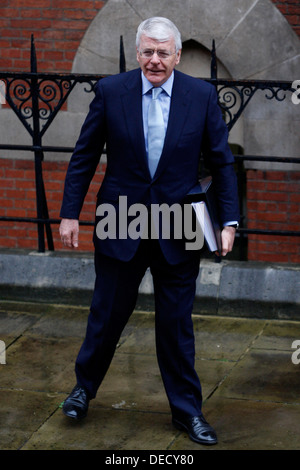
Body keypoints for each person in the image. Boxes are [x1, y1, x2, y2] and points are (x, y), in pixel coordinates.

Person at [59, 17, 239, 446]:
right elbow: (84, 156)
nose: (154, 60)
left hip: (181, 226)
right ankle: (83, 389)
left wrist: (228, 221)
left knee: (176, 325)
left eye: (163, 52)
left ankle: (187, 412)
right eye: (147, 52)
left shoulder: (201, 95)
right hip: (121, 219)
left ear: (178, 56)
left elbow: (221, 161)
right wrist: (70, 214)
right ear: (138, 53)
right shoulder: (111, 92)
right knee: (106, 316)